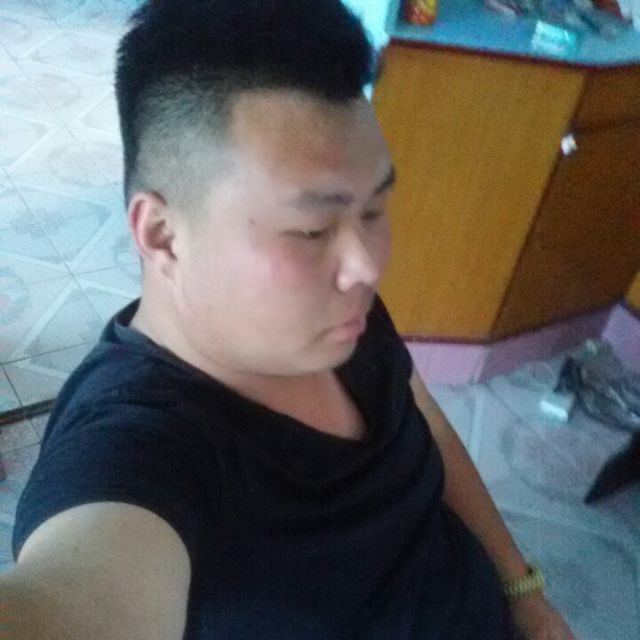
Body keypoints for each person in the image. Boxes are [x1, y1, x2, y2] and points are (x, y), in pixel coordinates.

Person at [1, 1, 575, 638]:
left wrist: (521, 589)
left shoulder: (337, 313)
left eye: (373, 210)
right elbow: (74, 596)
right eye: (311, 228)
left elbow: (427, 424)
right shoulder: (137, 447)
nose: (365, 265)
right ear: (162, 234)